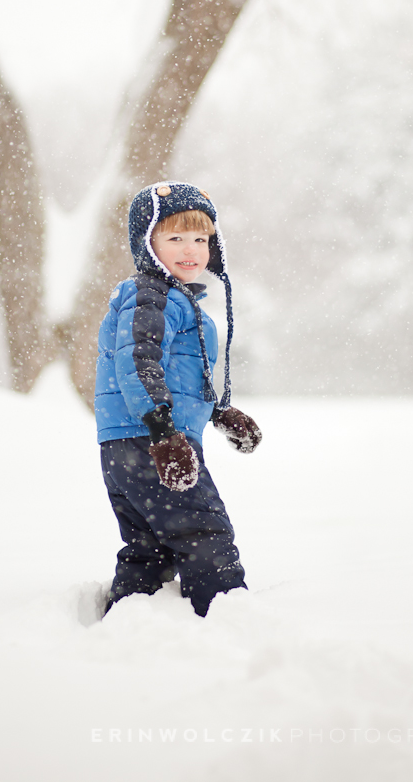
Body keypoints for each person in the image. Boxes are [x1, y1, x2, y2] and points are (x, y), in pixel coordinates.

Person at [95, 181, 262, 618]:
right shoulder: (151, 296)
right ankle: (226, 617)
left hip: (130, 443)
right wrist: (164, 434)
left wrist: (220, 414)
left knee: (149, 545)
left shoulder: (174, 301)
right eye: (175, 238)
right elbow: (138, 363)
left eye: (201, 239)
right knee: (203, 531)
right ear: (147, 244)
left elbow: (178, 378)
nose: (191, 250)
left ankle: (130, 618)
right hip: (149, 442)